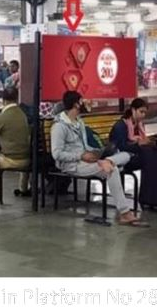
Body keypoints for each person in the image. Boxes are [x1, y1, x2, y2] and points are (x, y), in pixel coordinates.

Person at [51, 91, 147, 227]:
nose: (85, 103)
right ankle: (125, 213)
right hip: (73, 164)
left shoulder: (79, 123)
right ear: (76, 104)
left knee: (126, 155)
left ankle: (108, 161)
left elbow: (85, 145)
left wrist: (96, 151)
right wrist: (81, 156)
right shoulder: (59, 127)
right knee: (111, 170)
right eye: (81, 100)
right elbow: (56, 154)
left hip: (87, 160)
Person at [108, 98, 155, 173]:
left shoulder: (140, 125)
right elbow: (121, 147)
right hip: (120, 157)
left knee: (154, 156)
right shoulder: (121, 125)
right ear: (133, 110)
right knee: (149, 159)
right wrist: (138, 144)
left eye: (145, 113)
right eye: (141, 112)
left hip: (133, 154)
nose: (143, 115)